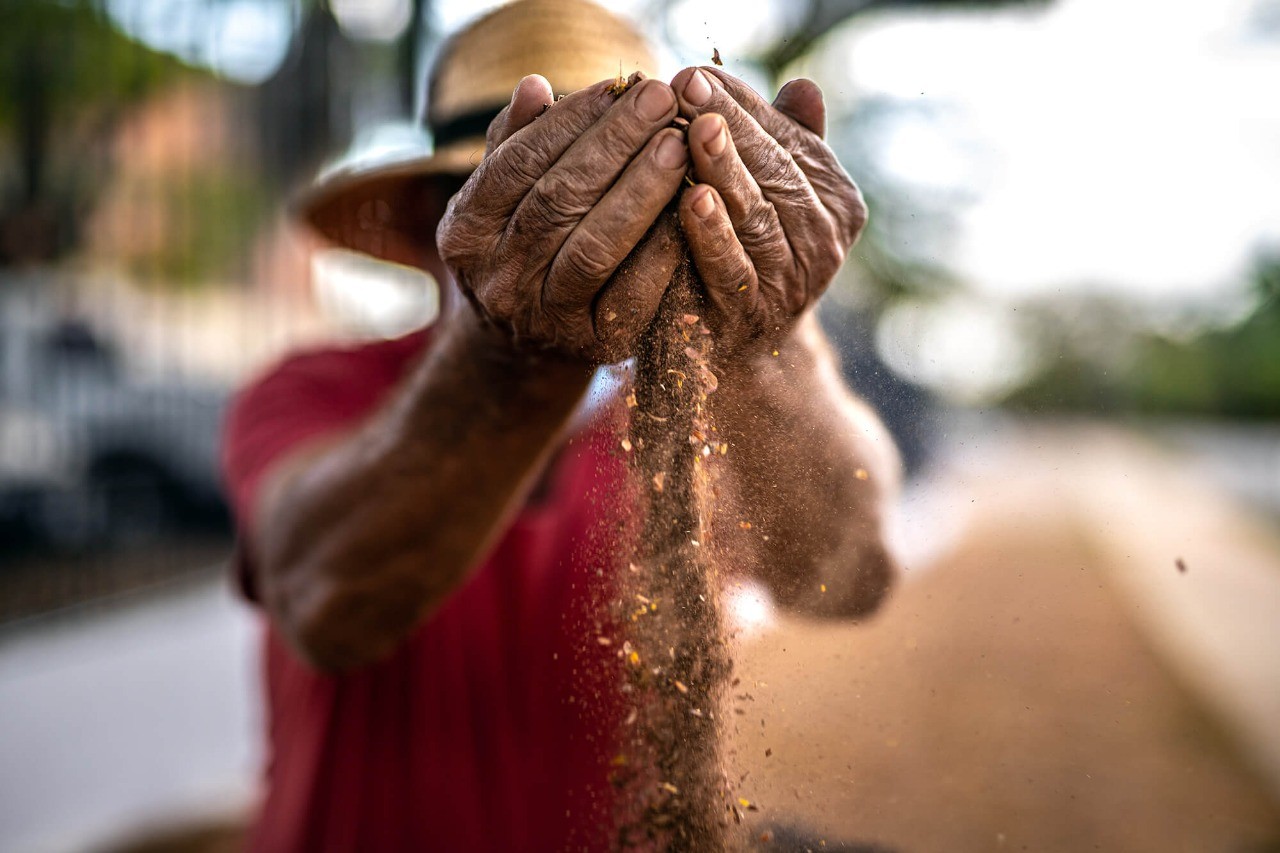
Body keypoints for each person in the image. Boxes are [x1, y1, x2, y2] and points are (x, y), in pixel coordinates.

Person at [221, 0, 900, 849]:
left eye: (630, 203)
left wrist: (766, 340)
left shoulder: (693, 423)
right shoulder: (314, 389)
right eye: (520, 198)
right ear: (438, 218)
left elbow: (851, 572)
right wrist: (509, 352)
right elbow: (323, 597)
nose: (592, 235)